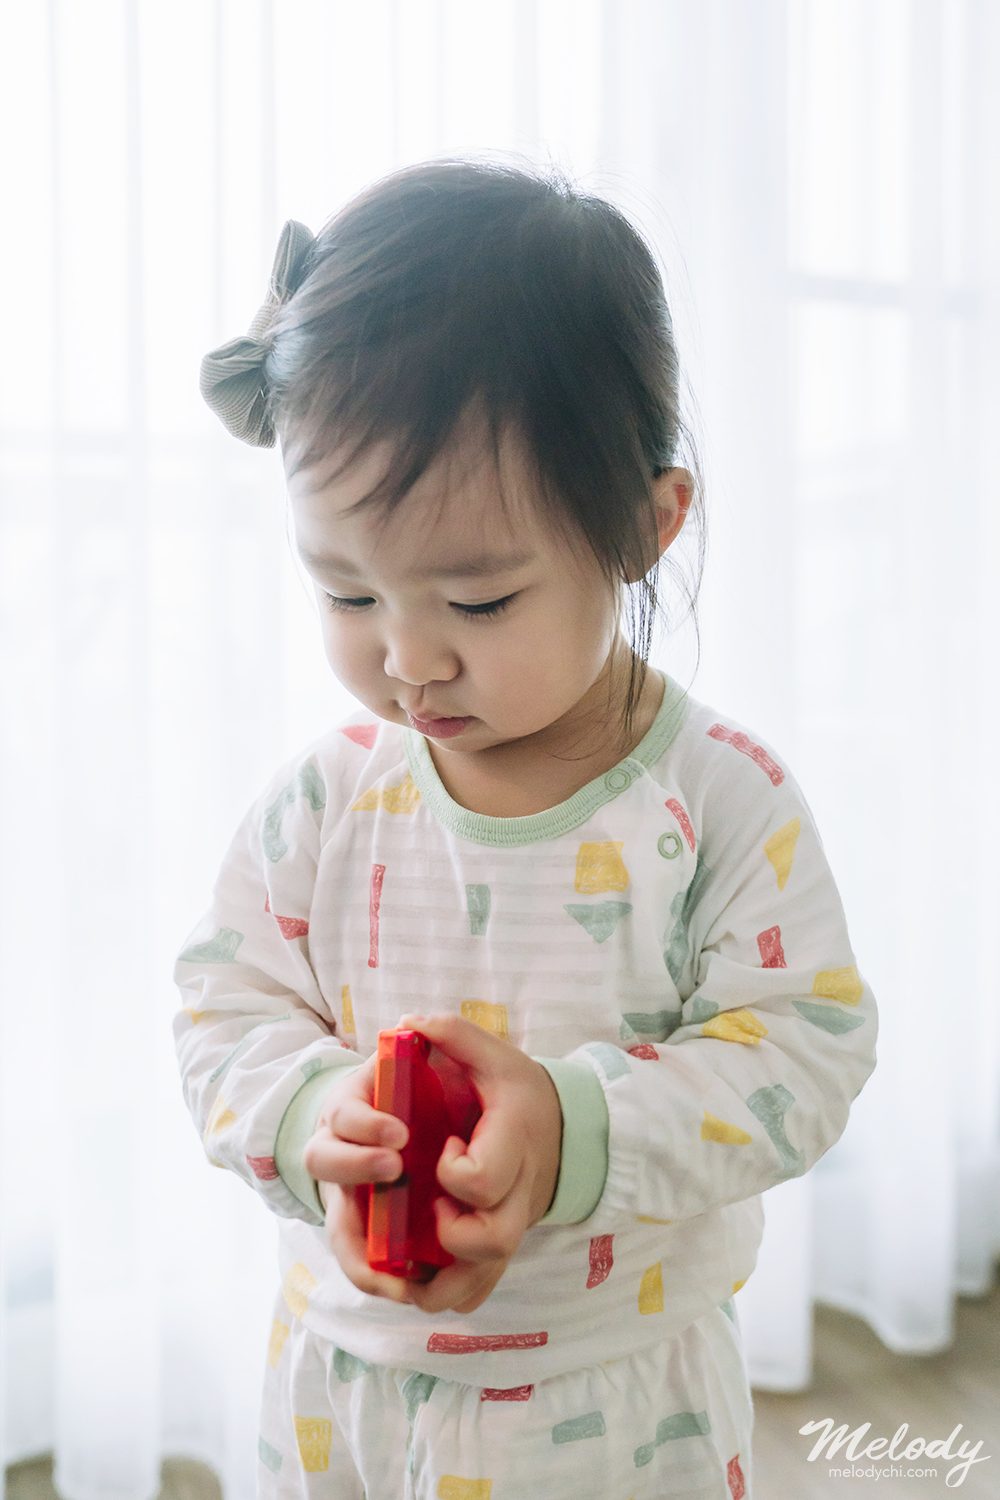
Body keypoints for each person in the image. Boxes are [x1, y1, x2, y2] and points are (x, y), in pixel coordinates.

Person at [175, 155, 878, 1500]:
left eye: (479, 603)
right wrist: (314, 1110)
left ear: (644, 528)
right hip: (345, 1395)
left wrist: (570, 1128)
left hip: (616, 1409)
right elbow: (221, 1009)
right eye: (349, 594)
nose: (410, 660)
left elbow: (810, 1050)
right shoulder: (326, 803)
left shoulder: (718, 802)